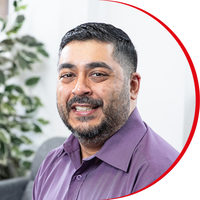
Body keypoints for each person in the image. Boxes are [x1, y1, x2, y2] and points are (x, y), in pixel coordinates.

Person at [32, 22, 179, 200]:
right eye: (68, 75)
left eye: (97, 74)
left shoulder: (159, 174)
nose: (79, 89)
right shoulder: (52, 163)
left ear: (132, 86)